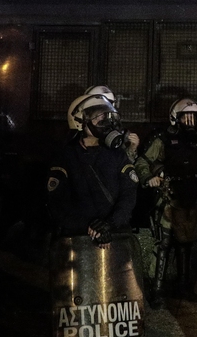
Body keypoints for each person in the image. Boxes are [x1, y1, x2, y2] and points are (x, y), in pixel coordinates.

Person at [136, 98, 197, 306]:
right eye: (186, 117)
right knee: (164, 244)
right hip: (169, 198)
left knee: (186, 243)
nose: (190, 121)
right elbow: (143, 161)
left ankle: (183, 287)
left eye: (194, 117)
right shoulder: (163, 139)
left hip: (190, 199)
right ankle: (157, 290)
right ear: (175, 118)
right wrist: (149, 177)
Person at [46, 94, 139, 241]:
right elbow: (58, 204)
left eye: (106, 116)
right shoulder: (66, 156)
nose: (105, 121)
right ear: (79, 121)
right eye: (98, 117)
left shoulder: (117, 155)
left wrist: (110, 224)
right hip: (77, 239)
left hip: (115, 237)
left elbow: (128, 195)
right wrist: (90, 227)